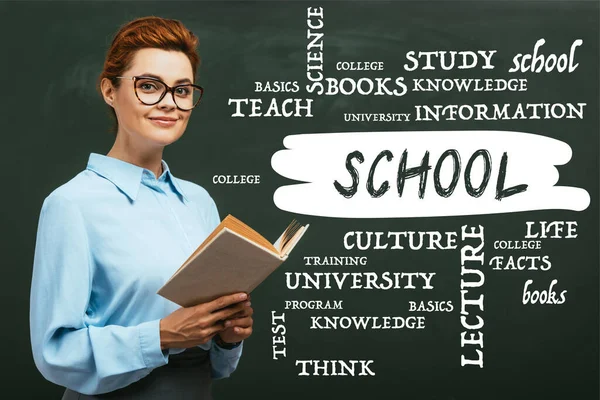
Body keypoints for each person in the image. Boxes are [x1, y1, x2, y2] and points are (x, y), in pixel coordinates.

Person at [29, 16, 253, 399]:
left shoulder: (200, 201)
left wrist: (227, 337)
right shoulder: (71, 204)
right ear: (109, 91)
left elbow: (216, 365)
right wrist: (162, 335)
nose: (169, 102)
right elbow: (54, 353)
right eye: (149, 86)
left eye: (182, 90)